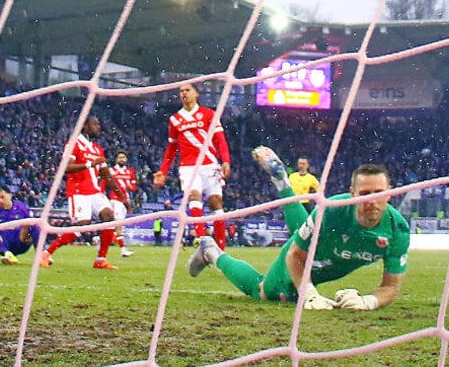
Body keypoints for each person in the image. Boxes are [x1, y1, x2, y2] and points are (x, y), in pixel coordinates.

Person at [189, 146, 408, 311]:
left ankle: (282, 182)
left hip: (316, 242)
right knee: (263, 292)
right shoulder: (332, 210)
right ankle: (211, 251)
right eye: (364, 194)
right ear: (352, 193)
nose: (372, 200)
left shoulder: (398, 230)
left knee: (305, 231)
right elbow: (295, 255)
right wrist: (309, 294)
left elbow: (390, 287)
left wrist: (367, 301)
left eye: (378, 193)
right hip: (300, 258)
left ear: (389, 192)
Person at [40, 115, 129, 270]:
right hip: (78, 192)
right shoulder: (74, 143)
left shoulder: (97, 149)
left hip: (95, 192)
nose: (98, 127)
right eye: (95, 124)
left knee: (109, 218)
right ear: (85, 126)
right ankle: (47, 253)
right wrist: (90, 164)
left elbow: (107, 175)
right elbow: (66, 167)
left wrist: (122, 197)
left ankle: (101, 259)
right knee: (81, 226)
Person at [153, 83, 232, 250]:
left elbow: (220, 139)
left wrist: (226, 161)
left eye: (187, 90)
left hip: (210, 164)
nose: (184, 93)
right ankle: (202, 239)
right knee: (194, 196)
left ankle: (221, 249)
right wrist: (163, 171)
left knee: (216, 203)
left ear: (196, 94)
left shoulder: (209, 114)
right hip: (188, 167)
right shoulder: (175, 119)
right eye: (181, 91)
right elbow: (171, 148)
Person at [0, 187, 40, 265]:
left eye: (2, 197)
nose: (0, 201)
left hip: (22, 241)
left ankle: (42, 256)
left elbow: (35, 229)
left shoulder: (22, 207)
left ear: (10, 196)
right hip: (4, 244)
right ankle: (8, 255)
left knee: (33, 223)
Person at [107, 151, 138, 258]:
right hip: (115, 200)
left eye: (123, 157)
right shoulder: (111, 171)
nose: (122, 159)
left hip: (126, 200)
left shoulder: (130, 171)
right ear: (116, 159)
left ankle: (100, 239)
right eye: (120, 157)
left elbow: (134, 187)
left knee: (118, 226)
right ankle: (123, 250)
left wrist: (129, 186)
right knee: (118, 225)